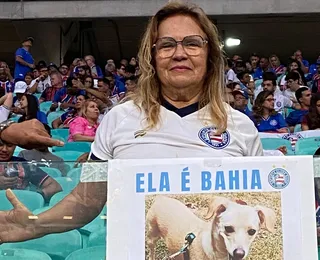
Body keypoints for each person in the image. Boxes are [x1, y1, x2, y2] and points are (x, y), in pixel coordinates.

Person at [0, 2, 262, 243]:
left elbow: (252, 208)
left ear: (210, 55)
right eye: (167, 44)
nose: (180, 53)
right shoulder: (118, 118)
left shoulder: (240, 127)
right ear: (152, 56)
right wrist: (35, 224)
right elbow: (85, 199)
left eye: (193, 43)